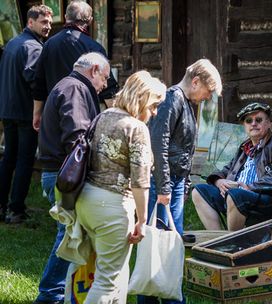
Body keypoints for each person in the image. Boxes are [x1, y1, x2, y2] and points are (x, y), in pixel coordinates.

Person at [76, 70, 166, 302]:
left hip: (86, 201)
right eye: (154, 105)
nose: (154, 112)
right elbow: (140, 181)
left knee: (116, 276)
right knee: (107, 280)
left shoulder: (103, 116)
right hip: (112, 205)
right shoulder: (136, 128)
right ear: (142, 97)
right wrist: (142, 220)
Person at [139, 59, 222, 304]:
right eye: (207, 92)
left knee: (171, 244)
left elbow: (183, 149)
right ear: (195, 82)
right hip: (161, 183)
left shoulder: (186, 103)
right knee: (157, 245)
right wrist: (164, 186)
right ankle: (156, 298)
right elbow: (158, 143)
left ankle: (172, 296)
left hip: (173, 182)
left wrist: (182, 185)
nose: (207, 98)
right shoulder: (172, 98)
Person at [34, 52, 110, 304]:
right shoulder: (76, 88)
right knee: (68, 236)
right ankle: (49, 295)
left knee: (70, 235)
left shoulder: (70, 85)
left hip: (59, 173)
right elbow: (77, 137)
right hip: (63, 175)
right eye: (105, 78)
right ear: (94, 69)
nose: (105, 86)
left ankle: (62, 293)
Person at [192, 102, 272, 231]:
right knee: (198, 191)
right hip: (237, 194)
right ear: (244, 126)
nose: (253, 123)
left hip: (268, 198)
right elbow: (228, 169)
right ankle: (218, 238)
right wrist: (219, 181)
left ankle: (233, 243)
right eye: (249, 121)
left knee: (235, 195)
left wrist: (249, 187)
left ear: (268, 123)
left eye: (258, 120)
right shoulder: (245, 147)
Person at [0, 5, 53, 223]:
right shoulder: (33, 47)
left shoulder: (13, 43)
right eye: (43, 22)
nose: (48, 26)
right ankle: (16, 210)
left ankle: (2, 206)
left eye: (50, 22)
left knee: (8, 159)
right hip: (25, 113)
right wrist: (41, 110)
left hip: (8, 111)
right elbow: (34, 81)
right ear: (30, 22)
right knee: (24, 160)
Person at [31, 0, 118, 132]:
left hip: (54, 113)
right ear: (90, 21)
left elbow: (39, 83)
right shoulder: (94, 47)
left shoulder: (48, 45)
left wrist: (37, 114)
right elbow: (108, 87)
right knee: (78, 151)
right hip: (83, 116)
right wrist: (115, 118)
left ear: (66, 18)